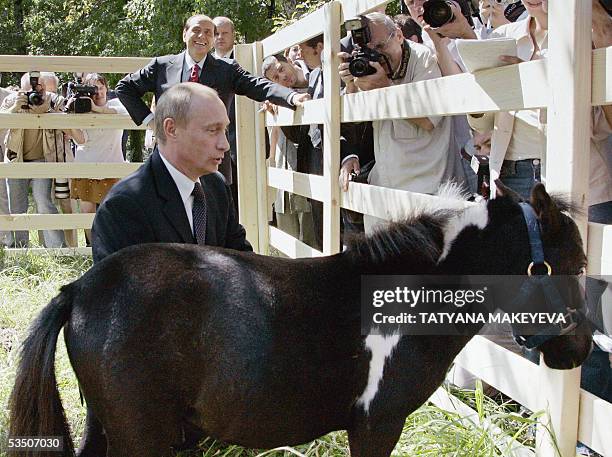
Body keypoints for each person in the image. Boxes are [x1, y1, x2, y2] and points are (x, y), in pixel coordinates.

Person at [116, 14, 310, 187]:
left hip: (212, 166)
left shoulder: (226, 69)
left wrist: (291, 96)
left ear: (212, 40)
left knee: (213, 223)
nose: (202, 36)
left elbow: (258, 85)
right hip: (171, 160)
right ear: (185, 34)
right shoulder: (162, 66)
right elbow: (124, 88)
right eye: (196, 30)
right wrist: (152, 123)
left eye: (208, 32)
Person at [92, 83, 252, 263]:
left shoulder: (217, 186)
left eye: (225, 130)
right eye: (212, 130)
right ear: (171, 129)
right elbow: (121, 289)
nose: (225, 144)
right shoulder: (123, 207)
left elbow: (243, 262)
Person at [338, 12, 452, 233]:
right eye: (370, 50)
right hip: (384, 186)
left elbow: (428, 120)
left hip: (425, 187)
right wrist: (351, 85)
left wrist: (385, 88)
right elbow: (354, 121)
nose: (376, 56)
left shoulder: (423, 59)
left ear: (399, 35)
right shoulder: (369, 68)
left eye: (380, 47)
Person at [0, 72, 85, 248]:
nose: (35, 94)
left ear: (44, 87)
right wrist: (14, 109)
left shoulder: (53, 100)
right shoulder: (11, 101)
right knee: (16, 206)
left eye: (39, 88)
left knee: (43, 201)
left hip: (44, 160)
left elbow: (71, 115)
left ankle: (56, 248)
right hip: (16, 159)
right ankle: (18, 248)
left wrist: (48, 110)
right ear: (21, 90)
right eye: (29, 90)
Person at [262, 55, 315, 246]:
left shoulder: (315, 78)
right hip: (285, 164)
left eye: (281, 69)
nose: (282, 77)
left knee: (311, 232)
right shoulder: (275, 97)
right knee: (287, 233)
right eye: (275, 78)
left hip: (311, 165)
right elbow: (273, 135)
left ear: (288, 61)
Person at [70, 73, 128, 244]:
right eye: (93, 89)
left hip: (112, 167)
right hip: (86, 166)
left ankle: (110, 247)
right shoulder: (82, 109)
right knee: (87, 213)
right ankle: (92, 247)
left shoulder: (116, 103)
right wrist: (71, 120)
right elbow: (81, 139)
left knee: (111, 211)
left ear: (106, 88)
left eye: (100, 88)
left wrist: (97, 110)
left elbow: (123, 115)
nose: (98, 92)